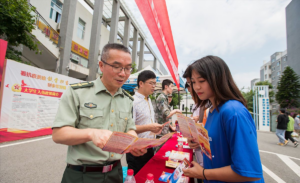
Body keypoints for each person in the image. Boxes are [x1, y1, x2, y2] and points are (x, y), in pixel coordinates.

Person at [52, 43, 147, 183]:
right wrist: (91, 133)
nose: (123, 73)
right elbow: (58, 134)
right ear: (101, 65)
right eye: (116, 67)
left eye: (127, 68)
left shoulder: (127, 99)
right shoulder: (78, 93)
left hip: (115, 173)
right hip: (82, 175)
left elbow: (129, 128)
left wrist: (134, 142)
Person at [182, 56, 264, 182]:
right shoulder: (212, 110)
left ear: (218, 79)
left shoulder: (233, 112)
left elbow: (249, 172)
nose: (196, 87)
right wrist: (201, 143)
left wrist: (203, 173)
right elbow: (220, 145)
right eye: (193, 82)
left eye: (202, 80)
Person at [126, 70, 163, 175]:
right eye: (151, 83)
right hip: (137, 150)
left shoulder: (149, 99)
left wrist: (154, 129)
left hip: (150, 147)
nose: (153, 86)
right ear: (141, 83)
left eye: (155, 83)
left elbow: (147, 122)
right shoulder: (133, 101)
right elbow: (129, 127)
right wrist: (149, 127)